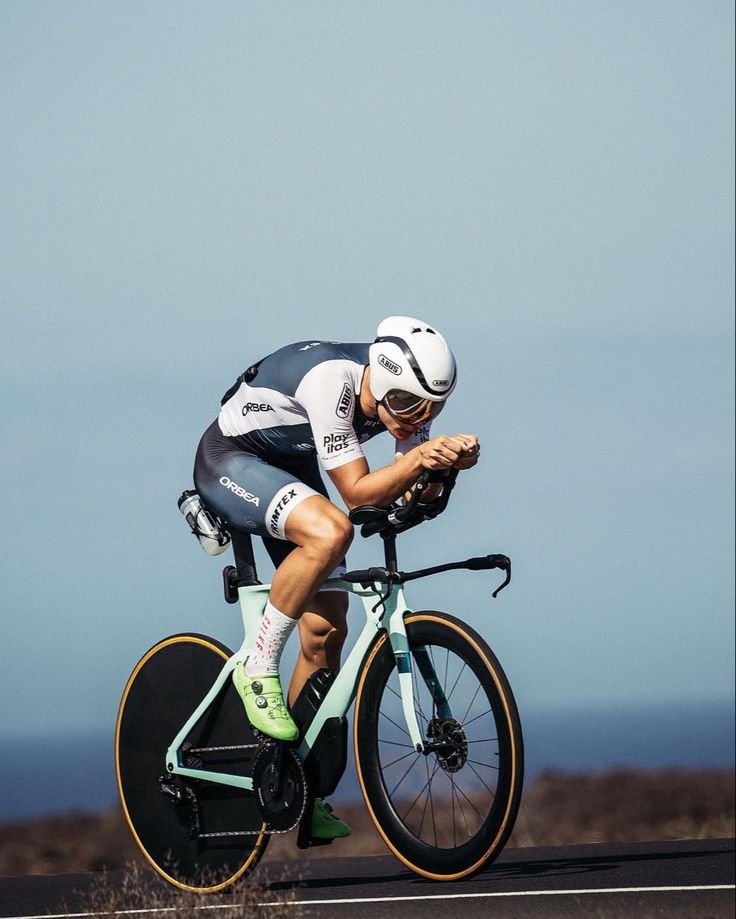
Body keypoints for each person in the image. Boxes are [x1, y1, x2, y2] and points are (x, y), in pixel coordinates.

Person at [191, 316, 480, 839]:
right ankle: (256, 666)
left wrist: (443, 470)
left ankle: (297, 783)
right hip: (232, 459)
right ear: (383, 384)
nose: (421, 418)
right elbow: (360, 494)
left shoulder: (405, 401)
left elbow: (407, 502)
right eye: (412, 407)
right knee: (330, 532)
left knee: (326, 632)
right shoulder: (331, 380)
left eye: (434, 409)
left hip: (289, 467)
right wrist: (420, 460)